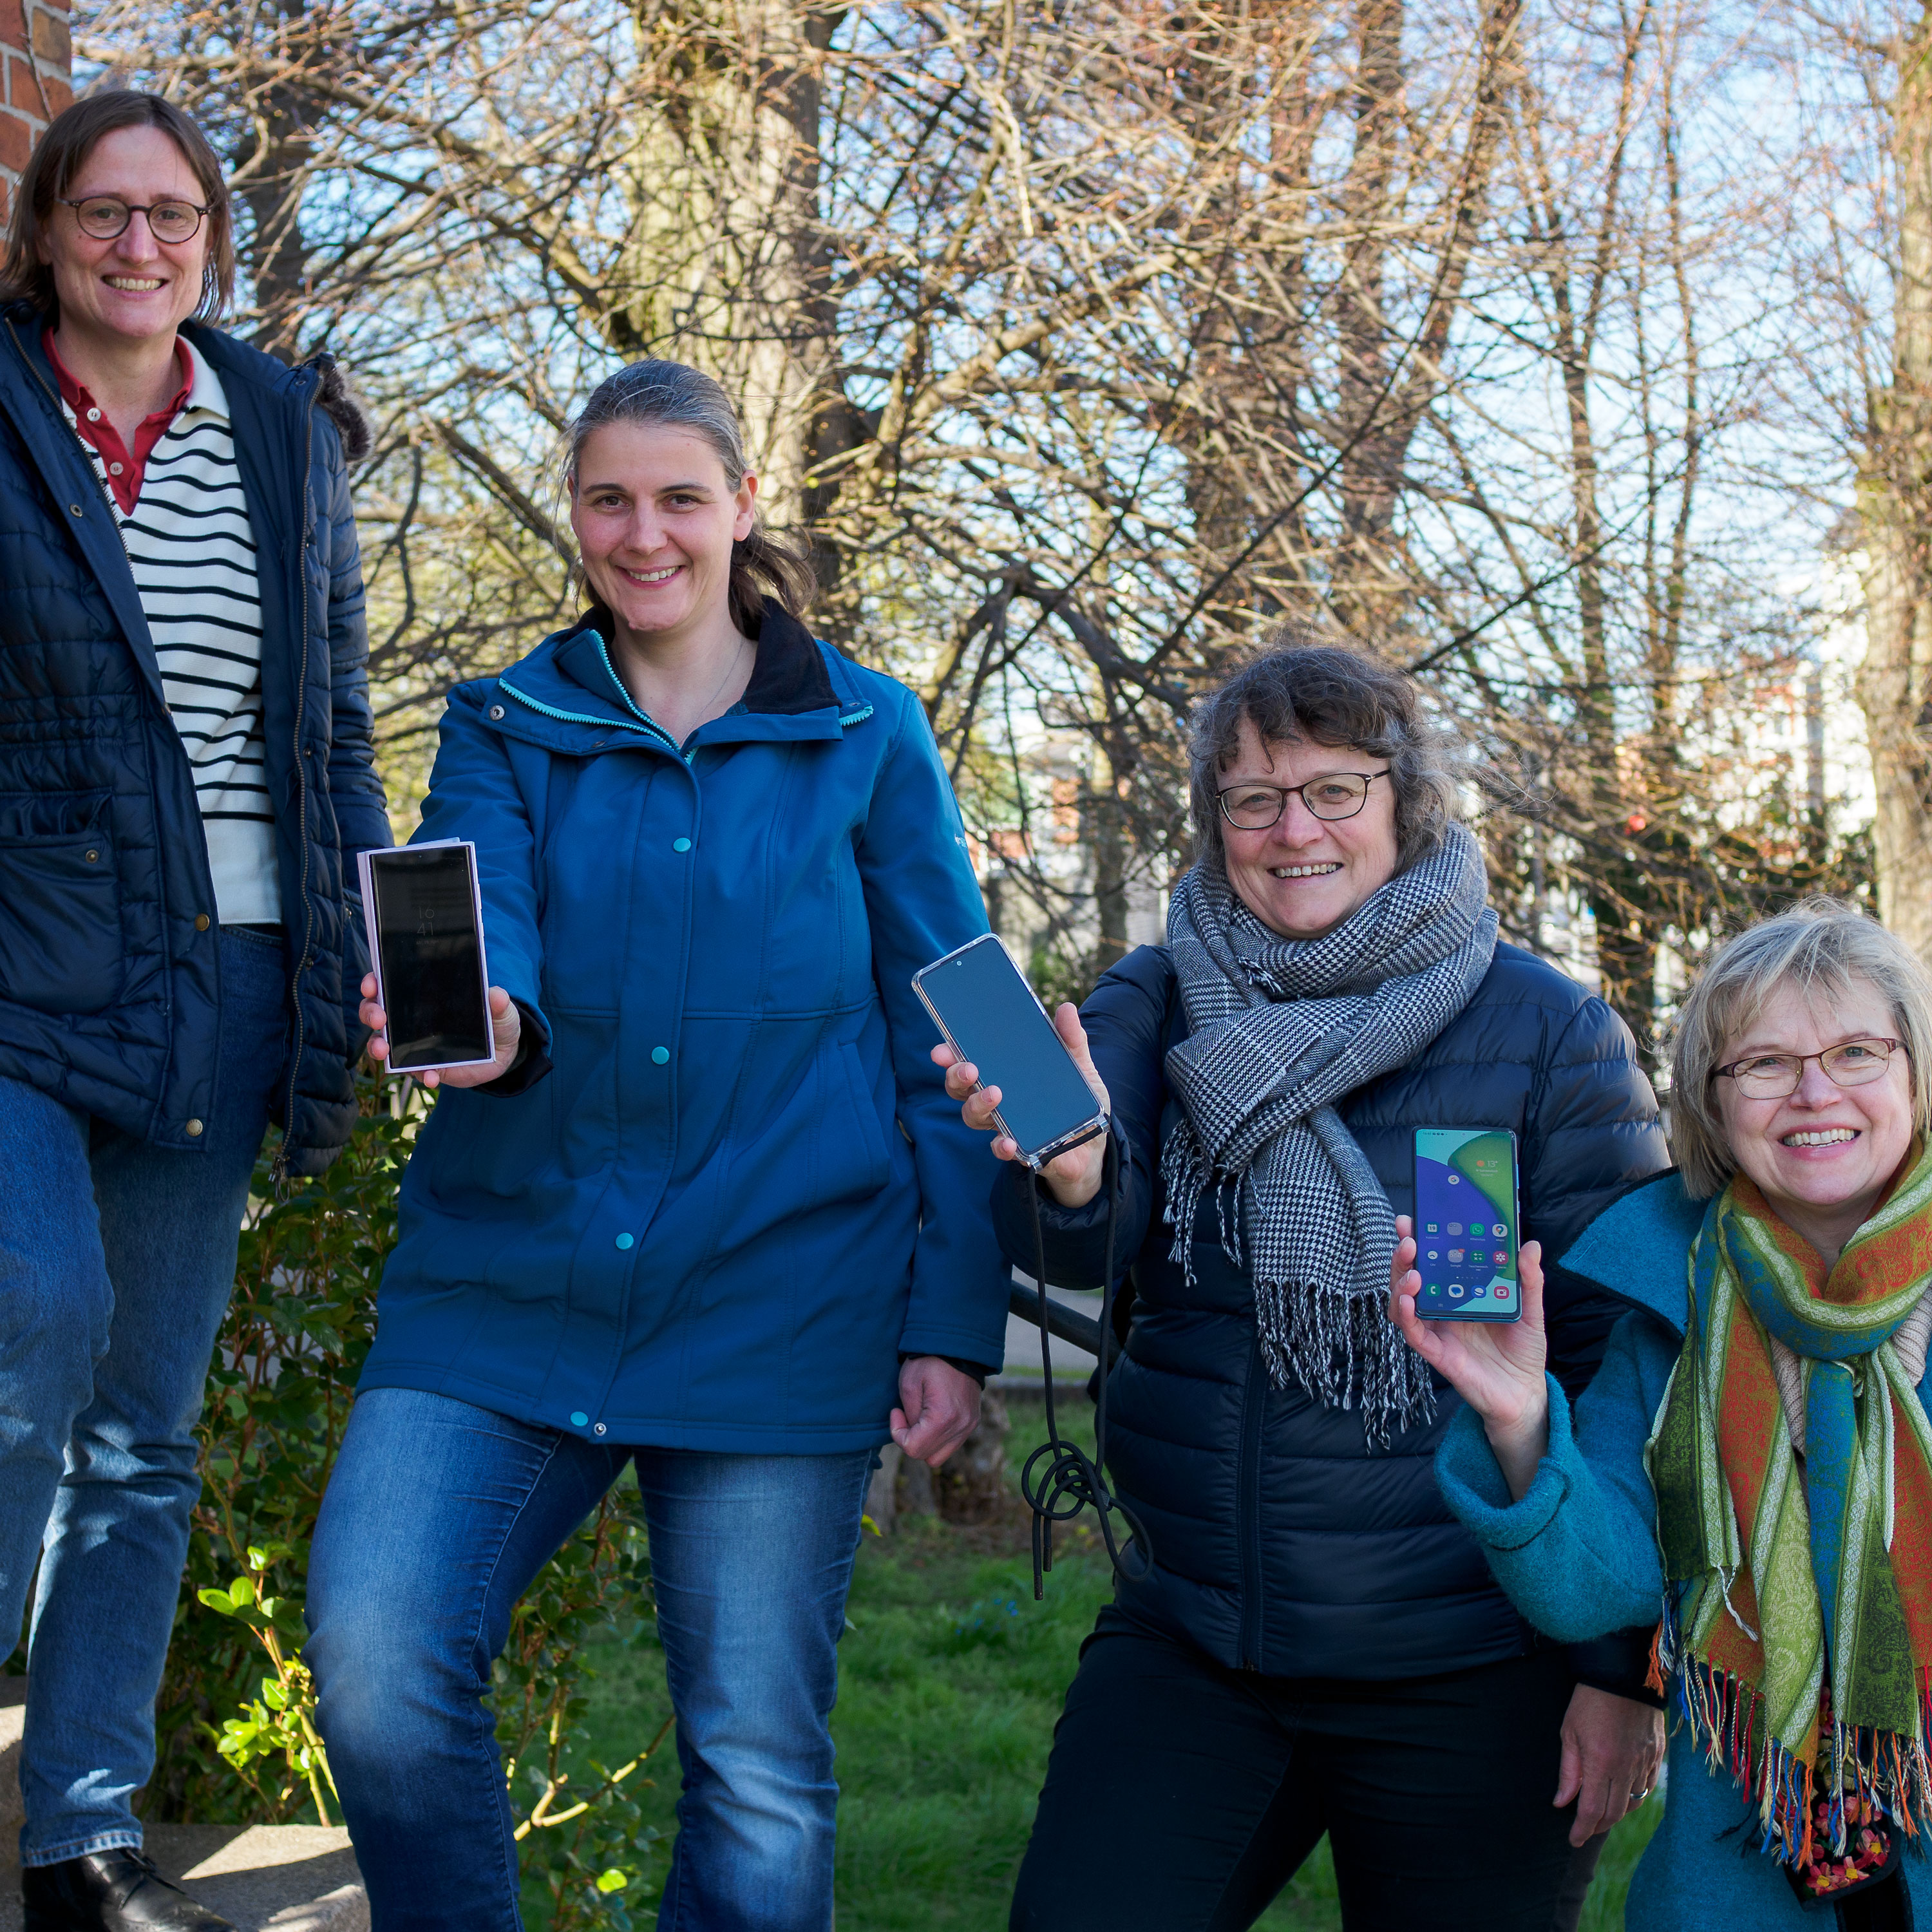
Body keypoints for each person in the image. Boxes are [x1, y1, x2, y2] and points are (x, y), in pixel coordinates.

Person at [302, 358, 1009, 1931]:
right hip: (509, 1282)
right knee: (373, 1658)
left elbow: (959, 1008)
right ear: (573, 512)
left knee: (758, 1775)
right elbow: (491, 934)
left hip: (784, 1300)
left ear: (742, 508)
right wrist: (487, 1028)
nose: (644, 535)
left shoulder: (874, 733)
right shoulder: (504, 720)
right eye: (608, 498)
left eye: (680, 498)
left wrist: (956, 1319)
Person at [939, 637, 1671, 1931]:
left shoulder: (1546, 1032)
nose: (1294, 832)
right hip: (1204, 1647)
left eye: (1334, 790)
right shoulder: (1157, 1002)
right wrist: (1065, 1173)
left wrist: (1622, 1673)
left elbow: (1630, 1370)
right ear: (1215, 823)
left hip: (1478, 1663)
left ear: (1404, 804)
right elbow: (1082, 1239)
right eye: (1253, 799)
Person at [0, 91, 386, 1932]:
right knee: (31, 1327)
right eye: (104, 211)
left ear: (212, 240)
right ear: (48, 228)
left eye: (173, 216)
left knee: (145, 1429)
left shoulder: (287, 436)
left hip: (229, 978)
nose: (138, 246)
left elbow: (331, 732)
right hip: (17, 968)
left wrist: (378, 945)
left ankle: (77, 1836)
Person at [1395, 898, 1932, 1930]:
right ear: (1713, 1104)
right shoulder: (1668, 1310)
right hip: (1746, 1882)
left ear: (1914, 1073)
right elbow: (1599, 1588)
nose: (1814, 1092)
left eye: (1858, 1051)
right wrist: (1518, 1424)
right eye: (1763, 1065)